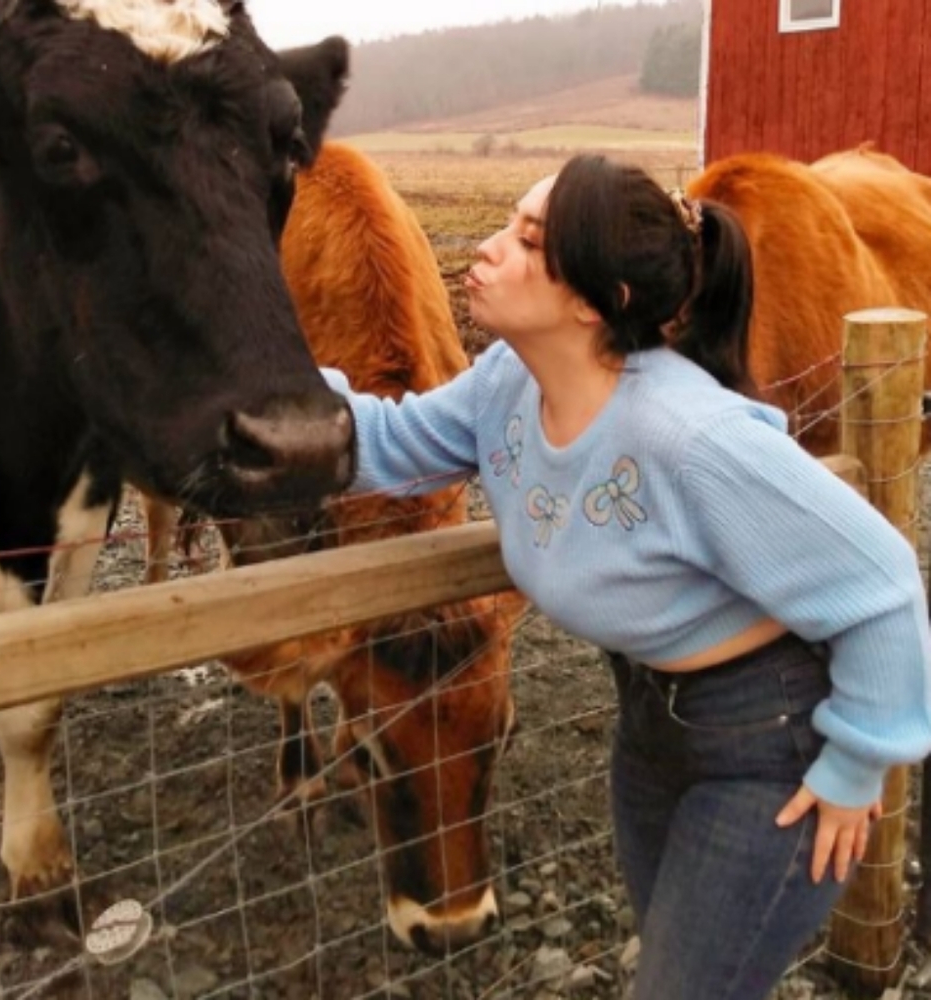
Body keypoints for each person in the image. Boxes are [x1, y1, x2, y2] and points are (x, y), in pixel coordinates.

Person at [321, 153, 931, 1000]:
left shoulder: (691, 439)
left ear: (592, 302)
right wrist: (275, 394)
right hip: (650, 727)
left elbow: (884, 582)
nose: (489, 251)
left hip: (769, 746)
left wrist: (858, 764)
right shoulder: (508, 381)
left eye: (528, 241)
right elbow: (392, 445)